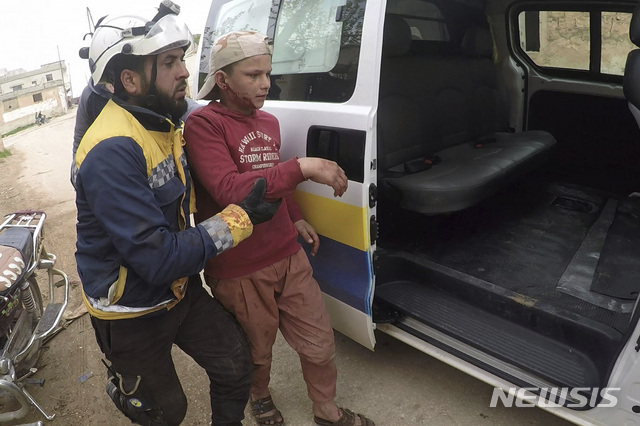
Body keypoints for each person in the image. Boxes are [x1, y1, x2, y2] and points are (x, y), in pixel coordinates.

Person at [74, 11, 281, 426]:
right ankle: (127, 387)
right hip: (130, 306)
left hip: (178, 291)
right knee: (166, 411)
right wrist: (240, 219)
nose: (185, 72)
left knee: (236, 366)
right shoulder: (111, 151)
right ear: (130, 80)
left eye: (181, 58)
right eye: (168, 63)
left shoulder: (165, 121)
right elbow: (158, 258)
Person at [183, 31, 374, 426]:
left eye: (267, 73)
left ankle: (326, 410)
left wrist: (297, 214)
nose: (265, 83)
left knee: (319, 343)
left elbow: (272, 176)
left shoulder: (268, 121)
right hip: (239, 267)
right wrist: (303, 166)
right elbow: (231, 190)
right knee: (256, 349)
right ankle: (260, 395)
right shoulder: (203, 125)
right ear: (222, 81)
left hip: (287, 252)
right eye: (253, 75)